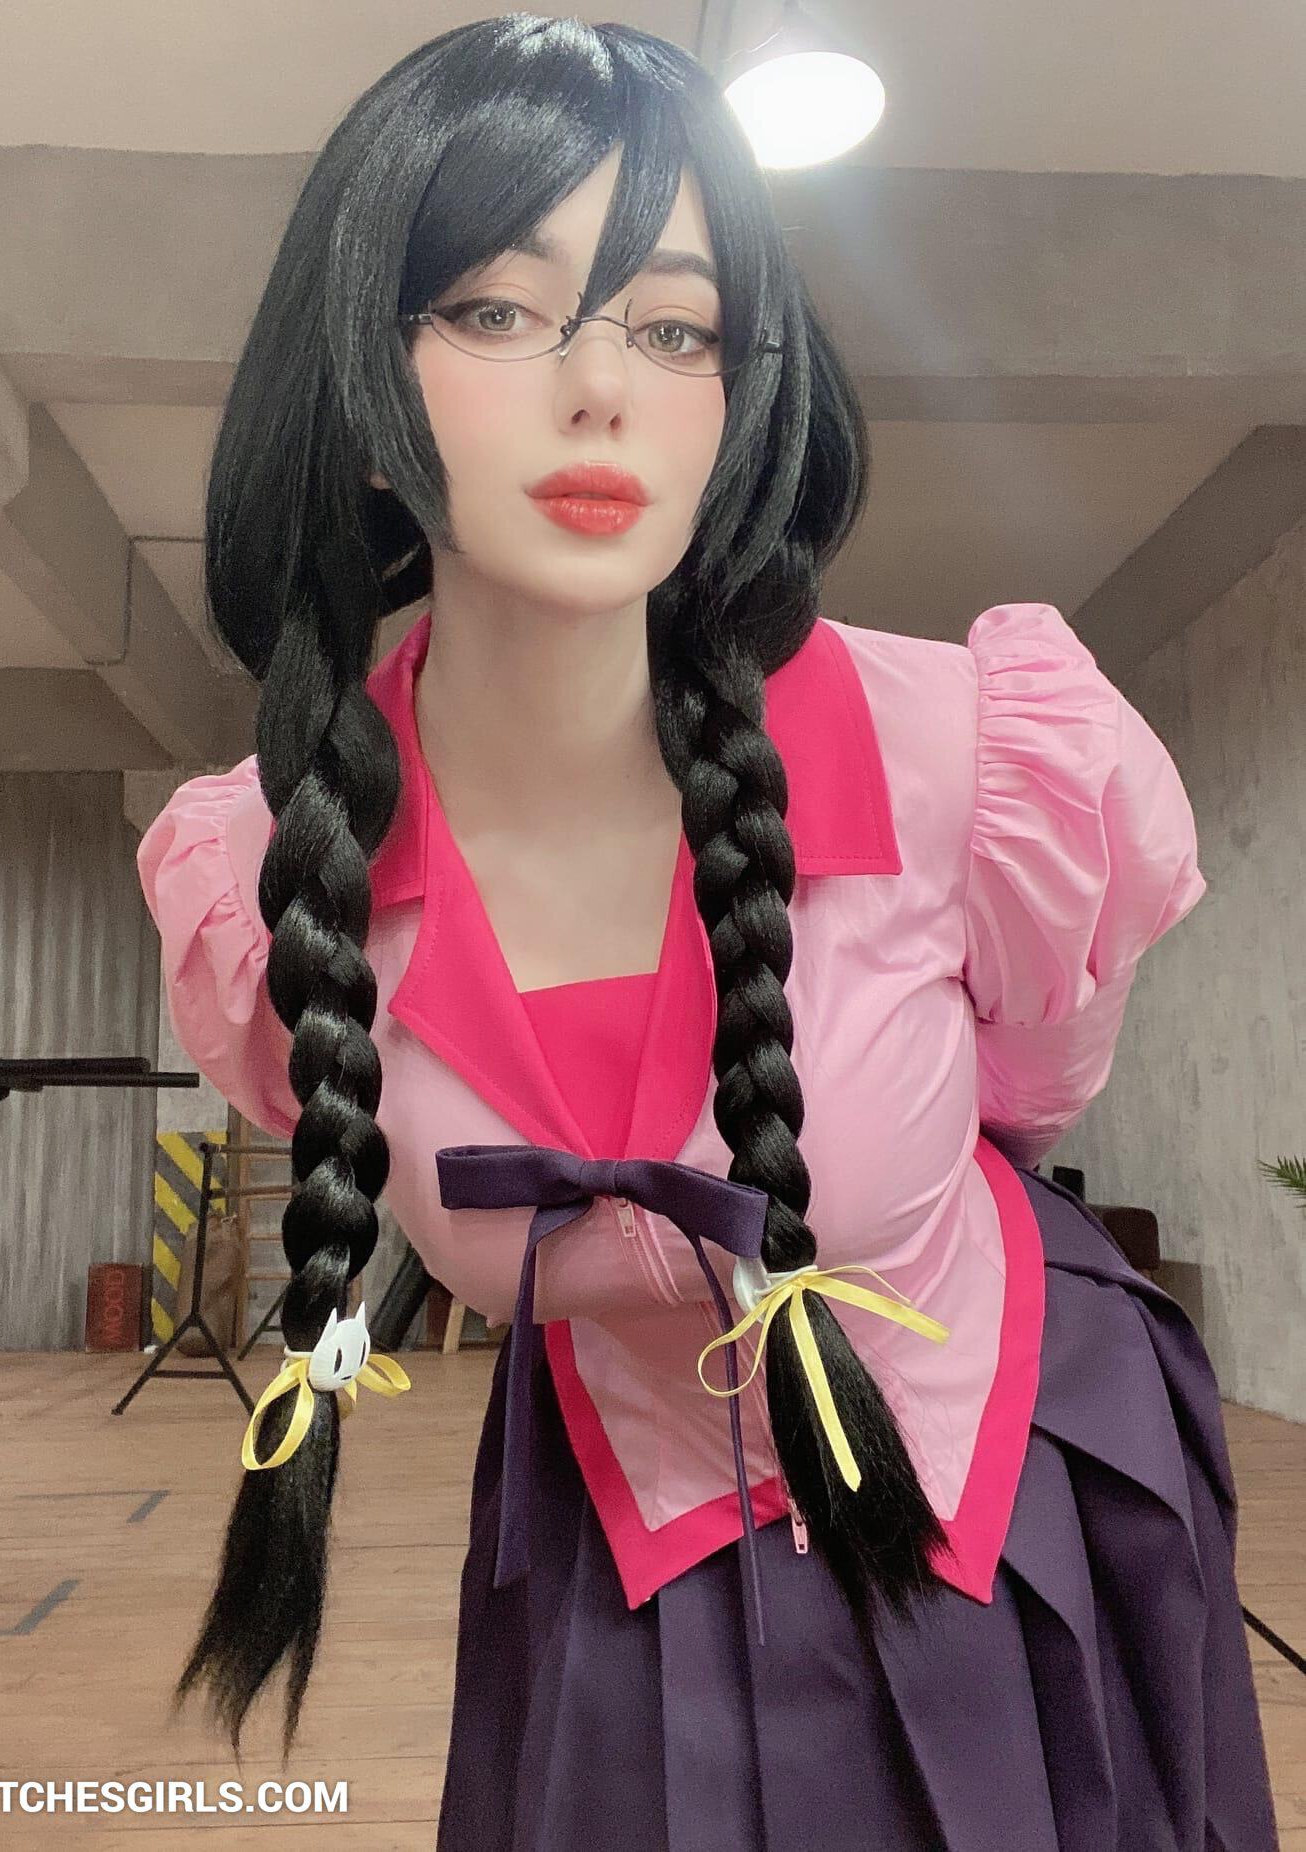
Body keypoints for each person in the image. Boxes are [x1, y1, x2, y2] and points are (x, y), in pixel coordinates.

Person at [135, 14, 1280, 1847]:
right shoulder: (270, 872)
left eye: (675, 328)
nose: (602, 389)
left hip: (1001, 1471)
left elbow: (1036, 1087)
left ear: (741, 399)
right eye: (497, 309)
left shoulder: (977, 756)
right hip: (620, 1530)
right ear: (356, 389)